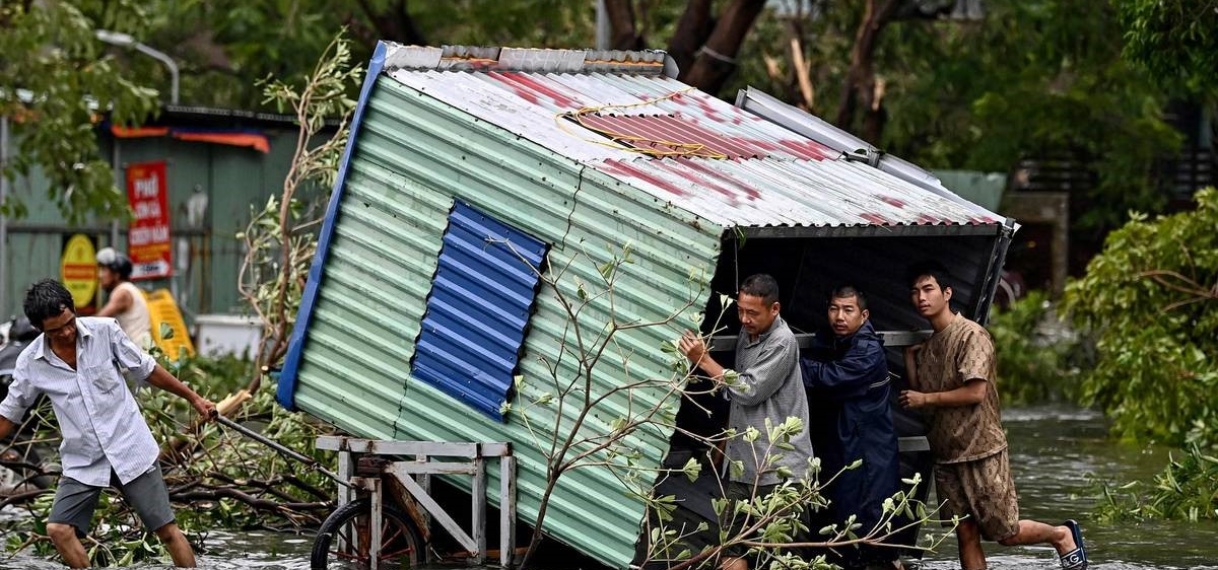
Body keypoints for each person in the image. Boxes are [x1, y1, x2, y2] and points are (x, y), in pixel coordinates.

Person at [0, 279, 217, 568]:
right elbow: (10, 412)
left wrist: (195, 399)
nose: (66, 332)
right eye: (55, 330)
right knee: (58, 530)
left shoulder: (105, 332)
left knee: (166, 531)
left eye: (69, 323)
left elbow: (147, 369)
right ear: (41, 330)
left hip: (130, 448)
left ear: (73, 311)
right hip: (84, 459)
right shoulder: (31, 362)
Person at [898, 262, 1088, 570]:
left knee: (1005, 533)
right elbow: (923, 401)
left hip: (981, 449)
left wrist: (924, 397)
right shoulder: (929, 345)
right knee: (966, 534)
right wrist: (910, 361)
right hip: (947, 455)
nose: (921, 297)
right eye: (915, 292)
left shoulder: (972, 335)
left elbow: (975, 392)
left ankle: (1061, 534)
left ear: (947, 293)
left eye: (928, 289)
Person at [679, 274, 815, 570]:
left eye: (752, 312)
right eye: (740, 310)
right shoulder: (748, 333)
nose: (744, 319)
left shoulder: (782, 342)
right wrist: (727, 441)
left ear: (775, 309)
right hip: (743, 467)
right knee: (732, 548)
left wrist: (703, 359)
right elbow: (740, 401)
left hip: (780, 472)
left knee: (782, 559)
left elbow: (748, 390)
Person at [800, 286, 902, 570]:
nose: (839, 317)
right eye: (834, 309)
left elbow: (834, 377)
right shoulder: (834, 341)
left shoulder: (867, 350)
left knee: (869, 535)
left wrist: (790, 362)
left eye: (848, 310)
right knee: (840, 530)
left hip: (868, 456)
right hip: (845, 451)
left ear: (864, 315)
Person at [96, 247, 153, 348]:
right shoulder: (128, 289)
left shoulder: (123, 292)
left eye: (104, 270)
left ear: (116, 275)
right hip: (139, 350)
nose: (100, 275)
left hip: (139, 353)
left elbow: (99, 320)